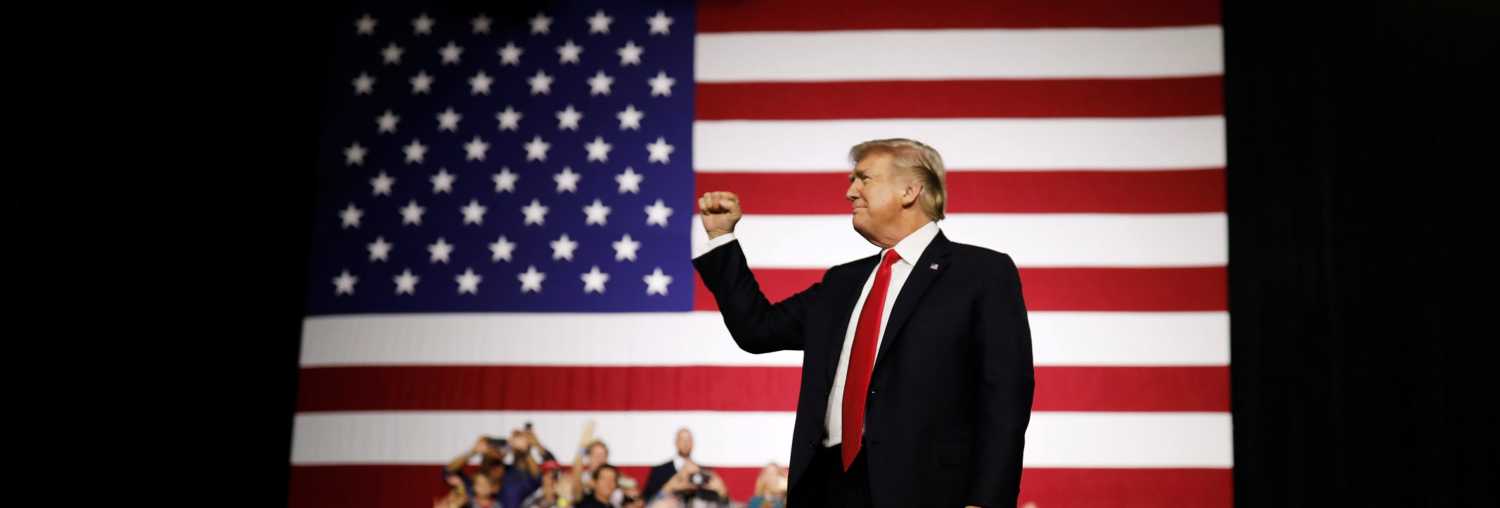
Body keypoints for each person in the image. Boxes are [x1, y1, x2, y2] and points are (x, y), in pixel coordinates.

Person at [693, 138, 1035, 507]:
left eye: (863, 179)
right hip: (828, 488)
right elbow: (756, 329)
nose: (849, 192)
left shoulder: (981, 273)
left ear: (909, 190)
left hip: (926, 491)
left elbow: (1005, 397)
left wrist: (986, 501)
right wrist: (721, 237)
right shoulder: (842, 283)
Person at [643, 428, 695, 501]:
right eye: (682, 440)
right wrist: (669, 487)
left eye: (689, 440)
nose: (686, 443)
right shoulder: (660, 471)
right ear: (676, 442)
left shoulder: (702, 472)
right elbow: (647, 499)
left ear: (693, 443)